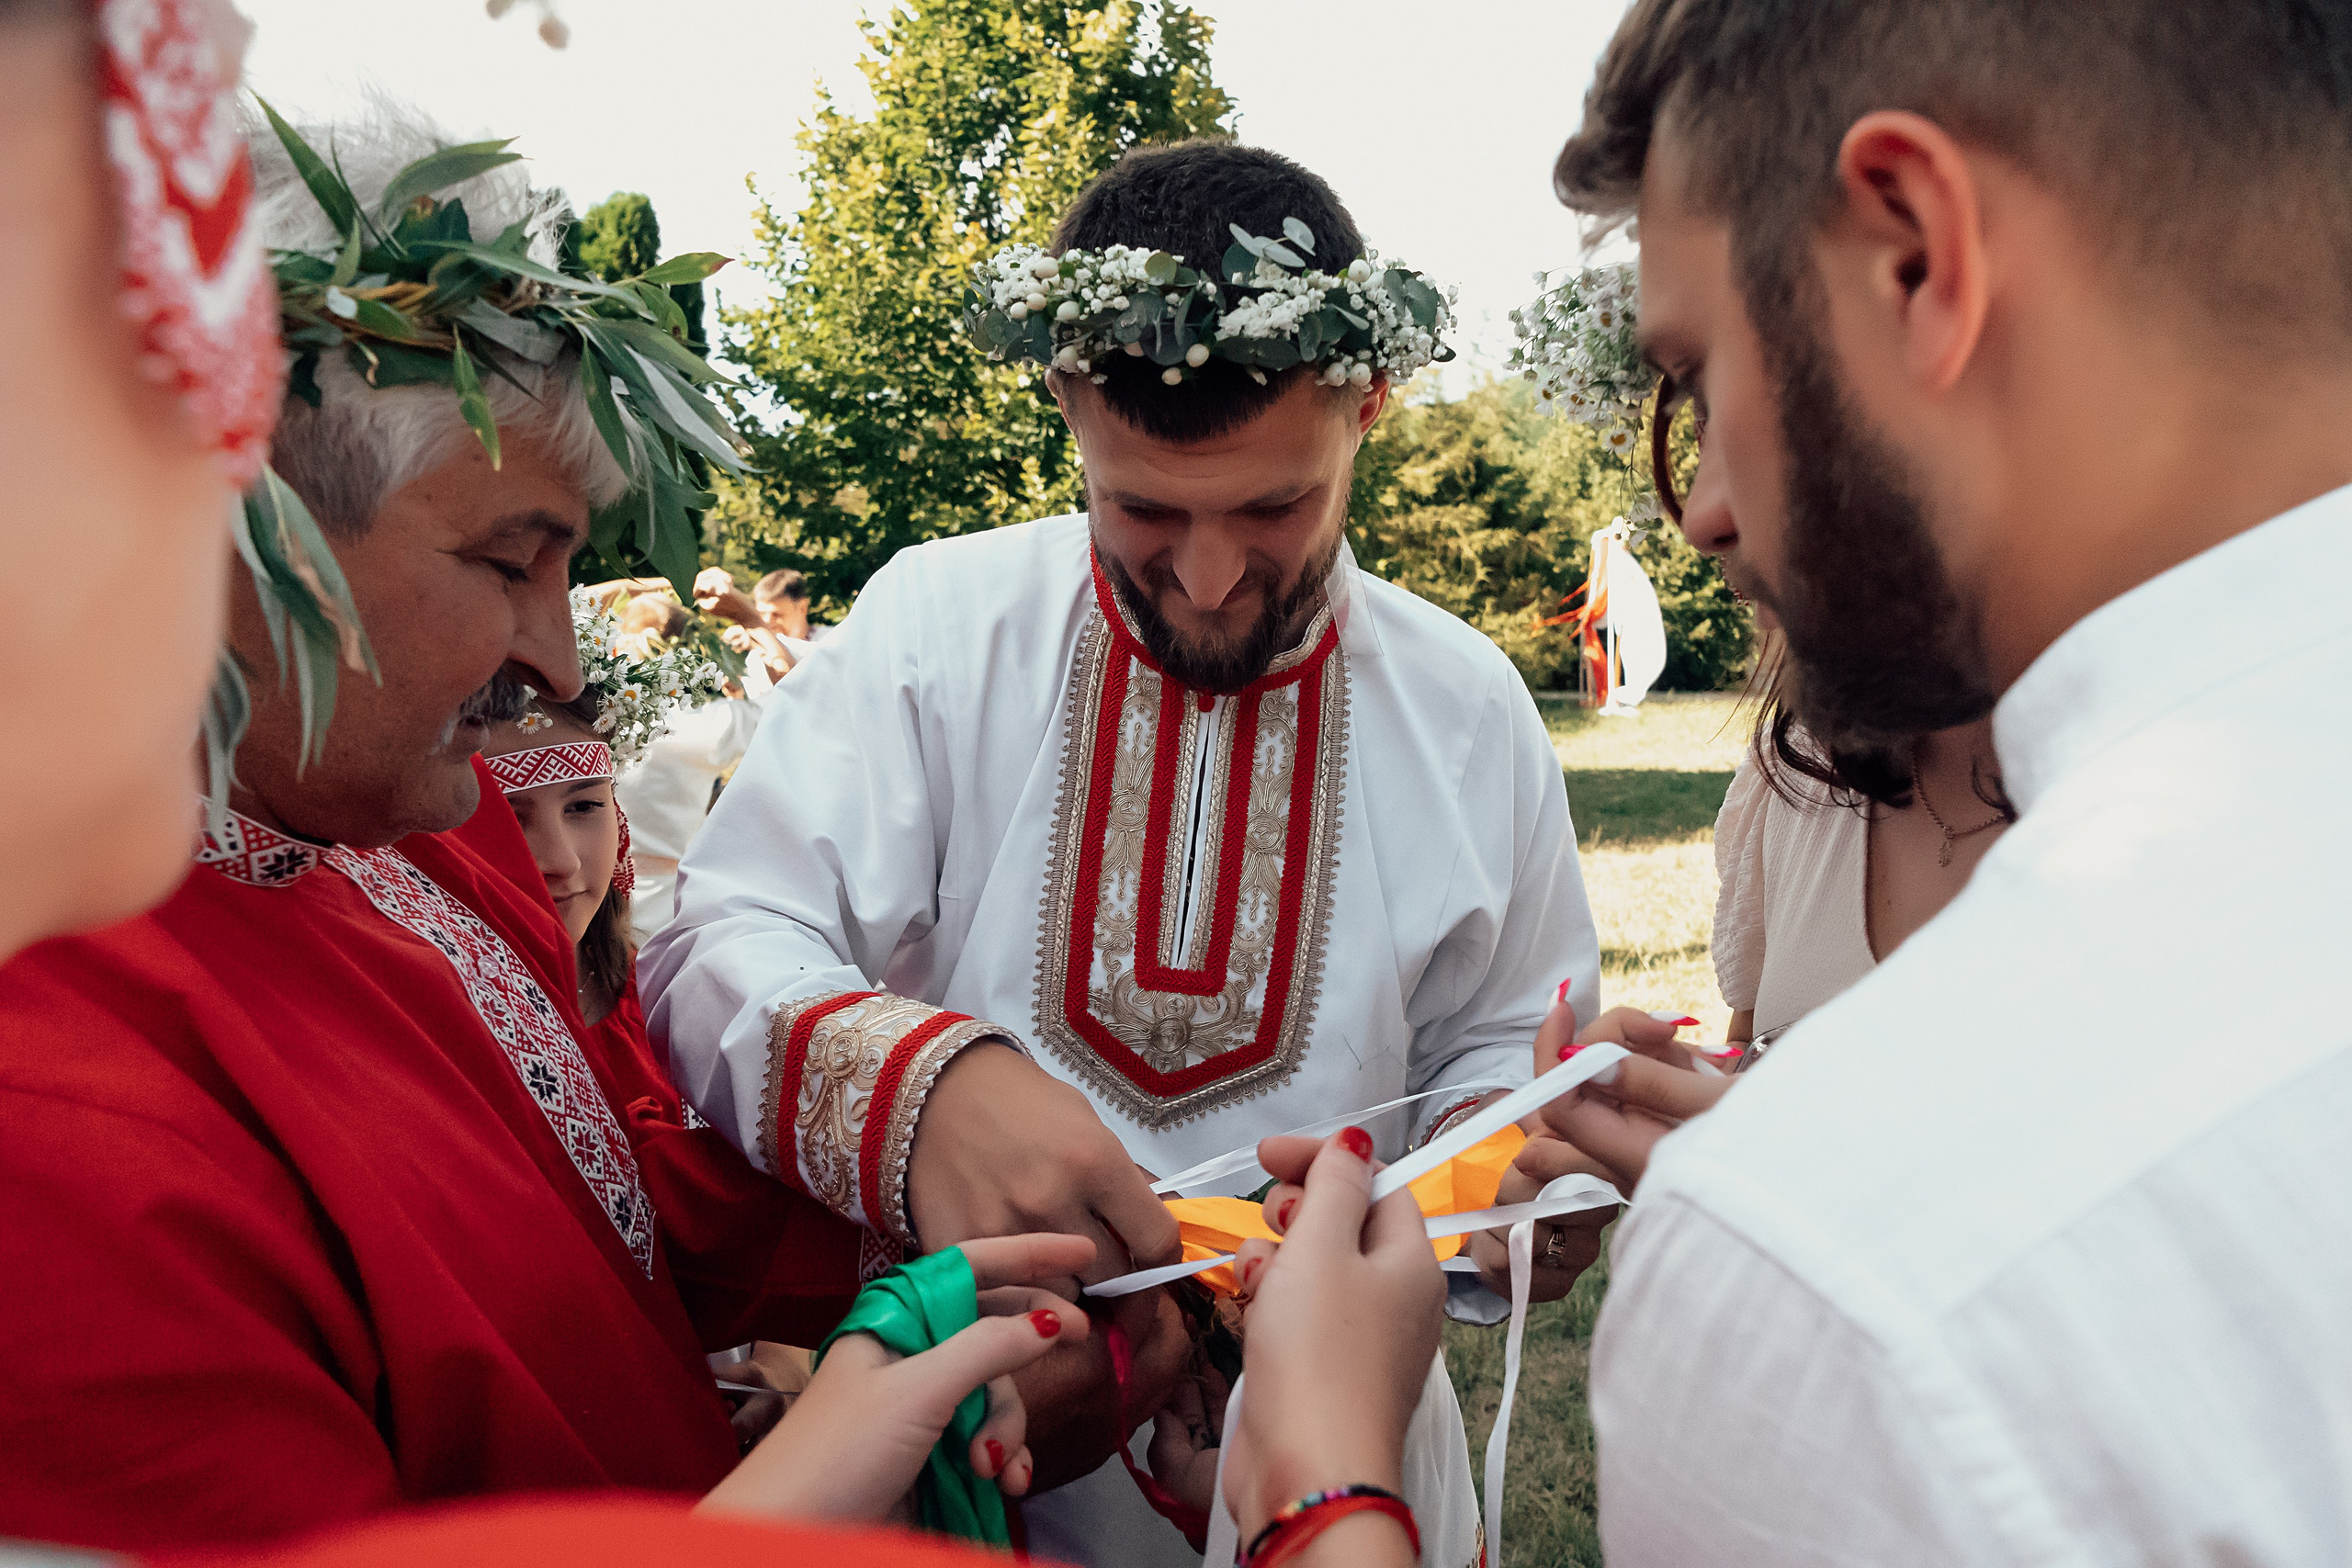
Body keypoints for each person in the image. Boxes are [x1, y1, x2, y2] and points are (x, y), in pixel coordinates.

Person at [0, 102, 1092, 1551]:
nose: (562, 665)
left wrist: (932, 1223)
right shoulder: (52, 1121)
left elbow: (621, 1193)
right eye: (511, 562)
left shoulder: (412, 834)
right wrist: (817, 1477)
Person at [641, 139, 1602, 1566]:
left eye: (1274, 509)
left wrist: (1517, 1199)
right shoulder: (935, 633)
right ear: (1068, 404)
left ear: (1369, 405)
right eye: (1144, 509)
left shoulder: (1466, 705)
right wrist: (930, 1095)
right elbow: (714, 940)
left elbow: (1506, 1051)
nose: (1208, 578)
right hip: (986, 1448)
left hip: (1343, 1455)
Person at [1497, 2, 2352, 1562]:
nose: (1700, 507)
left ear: (1916, 258)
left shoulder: (1840, 1282)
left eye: (1702, 367)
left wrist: (1323, 1500)